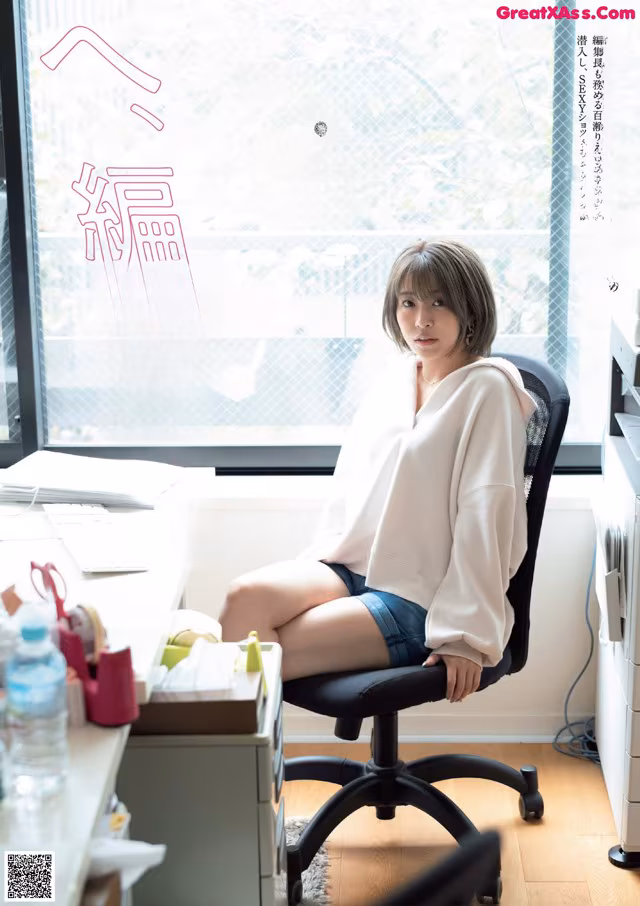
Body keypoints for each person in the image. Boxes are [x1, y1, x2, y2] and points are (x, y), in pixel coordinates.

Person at [219, 239, 537, 702]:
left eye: (439, 303)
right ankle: (243, 750)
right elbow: (356, 485)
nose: (421, 320)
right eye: (408, 303)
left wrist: (464, 636)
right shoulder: (400, 375)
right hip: (358, 565)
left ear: (470, 308)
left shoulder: (488, 390)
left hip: (424, 599)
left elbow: (486, 518)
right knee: (243, 600)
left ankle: (243, 747)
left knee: (257, 655)